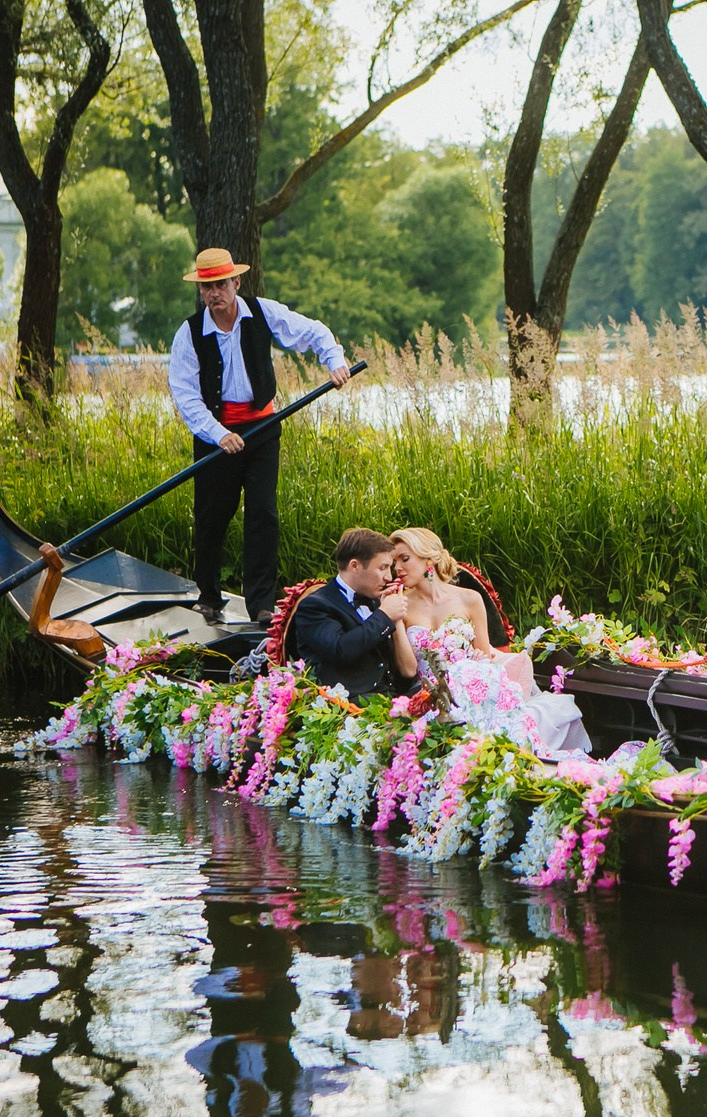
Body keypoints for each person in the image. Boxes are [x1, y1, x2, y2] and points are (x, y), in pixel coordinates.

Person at [168, 246, 353, 626]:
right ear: (200, 291)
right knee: (211, 516)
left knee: (263, 514)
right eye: (207, 288)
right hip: (215, 433)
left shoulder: (263, 312)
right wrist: (219, 434)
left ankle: (262, 605)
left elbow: (314, 332)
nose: (214, 294)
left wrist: (334, 362)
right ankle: (208, 596)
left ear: (236, 282)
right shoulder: (189, 333)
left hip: (263, 430)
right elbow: (185, 395)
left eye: (221, 285)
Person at [388, 526, 590, 755]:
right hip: (432, 695)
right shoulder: (402, 605)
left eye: (404, 559)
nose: (397, 568)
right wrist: (396, 620)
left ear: (429, 558)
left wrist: (477, 658)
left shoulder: (470, 599)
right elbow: (408, 670)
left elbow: (485, 654)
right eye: (394, 562)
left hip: (471, 686)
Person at [289, 528, 418, 698]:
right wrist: (384, 615)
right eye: (382, 568)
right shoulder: (314, 606)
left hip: (394, 697)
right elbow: (340, 650)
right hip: (347, 705)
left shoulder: (376, 601)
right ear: (355, 566)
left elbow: (405, 670)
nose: (389, 577)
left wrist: (394, 619)